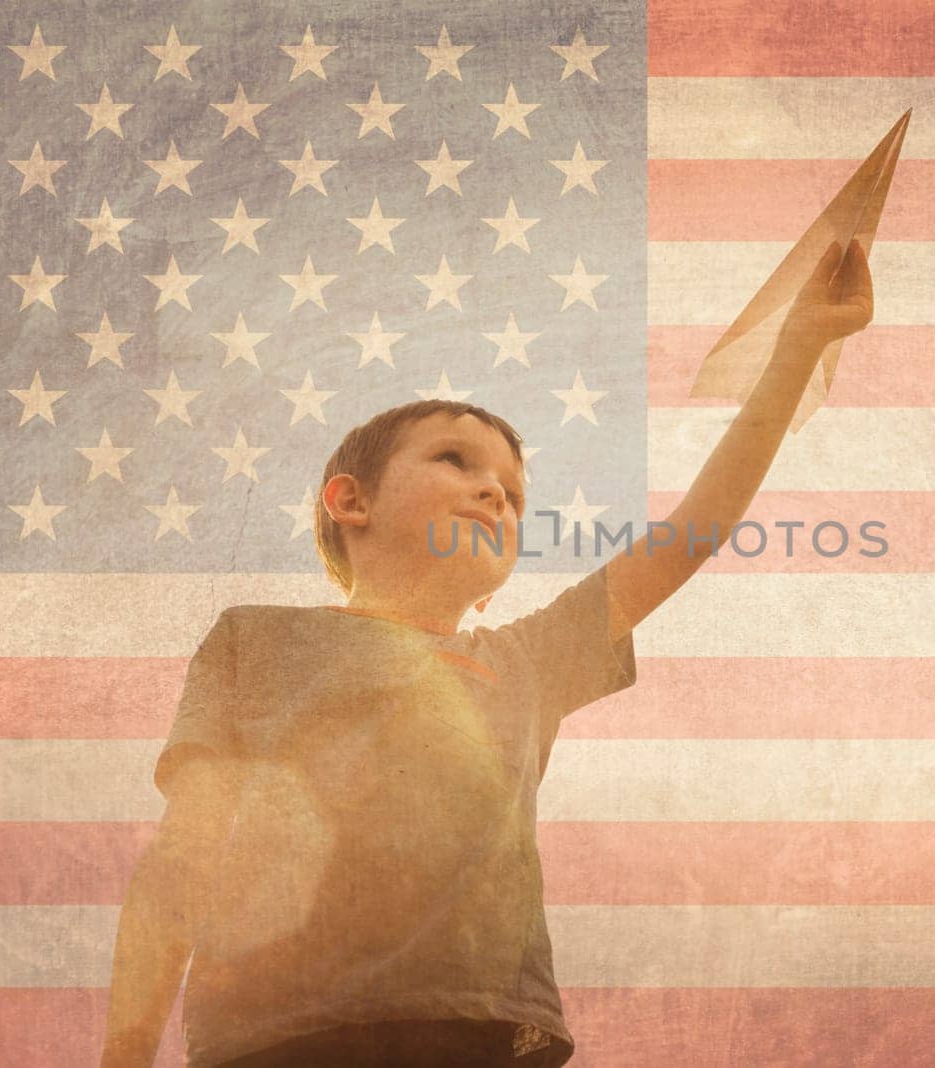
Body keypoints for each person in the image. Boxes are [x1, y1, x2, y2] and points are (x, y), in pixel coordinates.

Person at [100, 239, 874, 1067]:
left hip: (483, 1036)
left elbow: (689, 534)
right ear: (349, 500)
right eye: (455, 460)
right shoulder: (255, 638)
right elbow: (184, 852)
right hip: (279, 1039)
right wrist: (125, 1055)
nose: (495, 491)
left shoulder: (528, 662)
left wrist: (797, 353)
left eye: (513, 492)